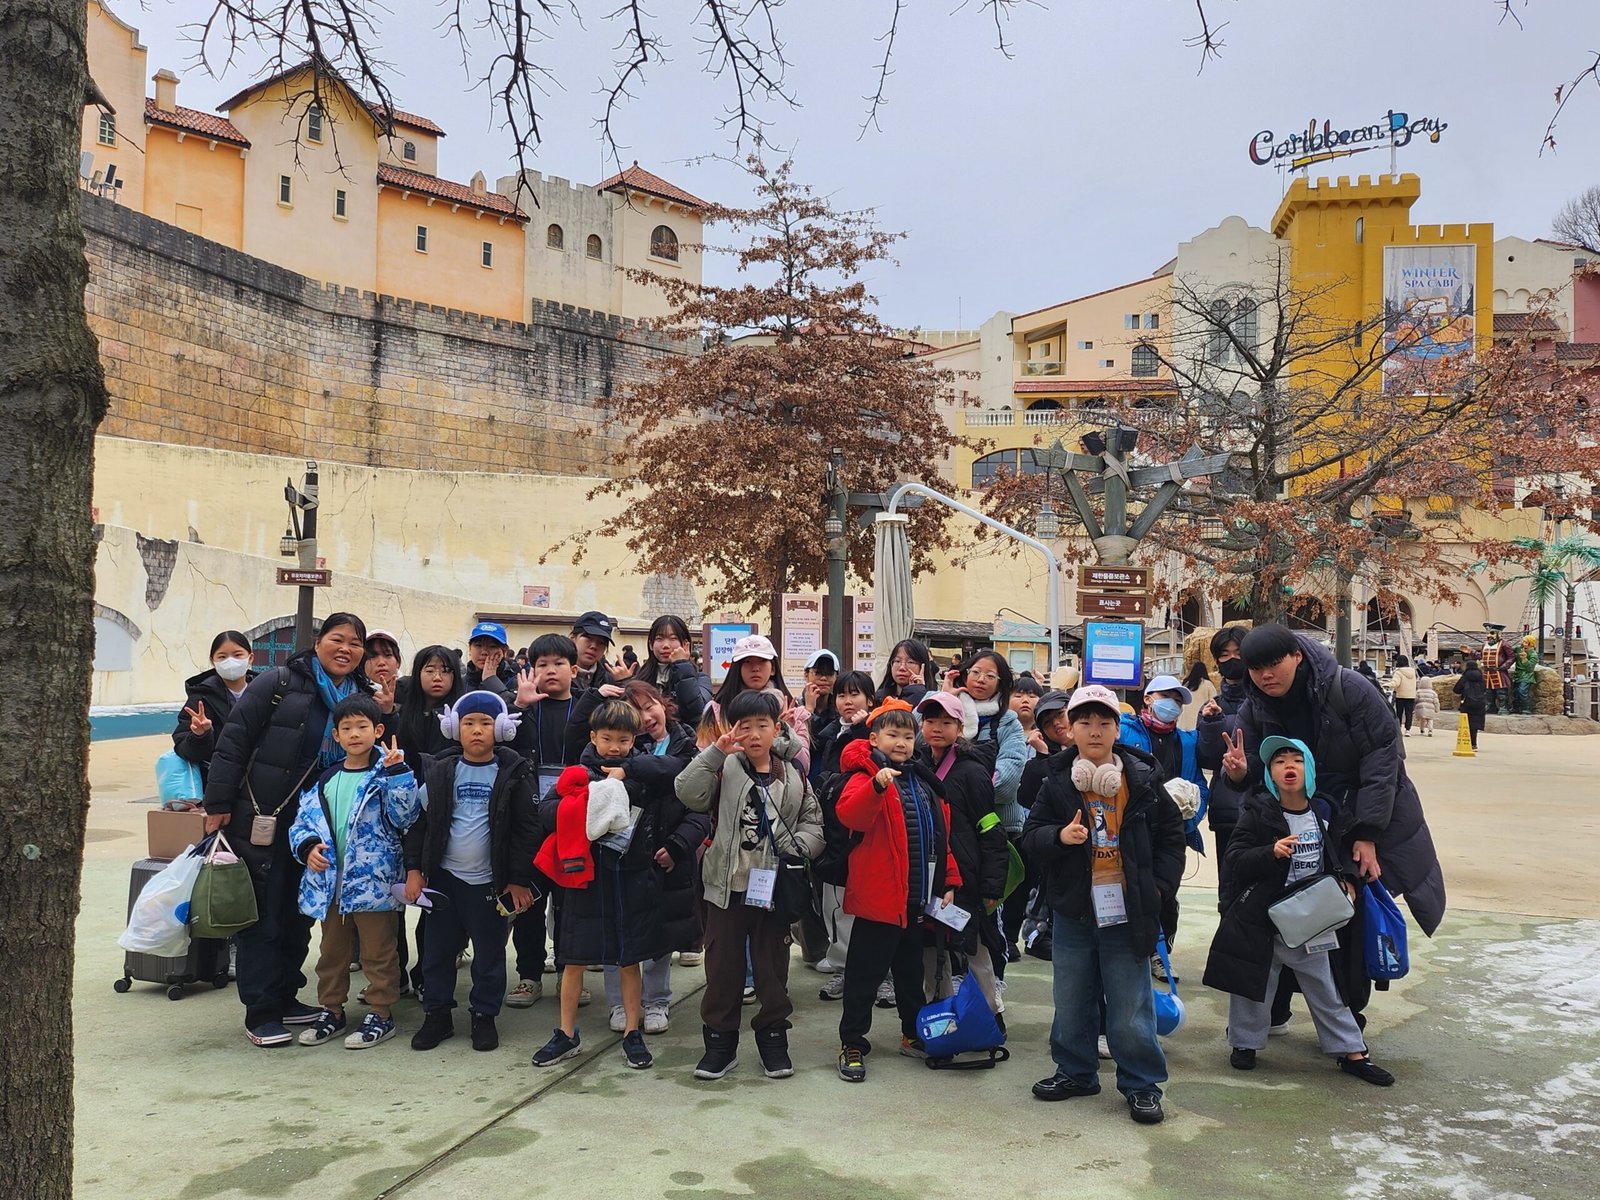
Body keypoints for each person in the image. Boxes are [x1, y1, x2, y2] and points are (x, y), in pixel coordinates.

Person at [1223, 624, 1447, 1021]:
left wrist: (1366, 833)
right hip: (1289, 821)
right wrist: (1240, 773)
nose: (1265, 675)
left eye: (1273, 664)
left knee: (1343, 914)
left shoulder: (1350, 689)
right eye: (1256, 668)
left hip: (1348, 816)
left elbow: (1383, 761)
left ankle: (1347, 1012)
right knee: (1273, 907)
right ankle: (1273, 1007)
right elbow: (1257, 767)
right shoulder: (1254, 704)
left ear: (1296, 655)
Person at [202, 612, 372, 1047]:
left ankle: (286, 997)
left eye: (355, 643)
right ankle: (261, 1010)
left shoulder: (359, 697)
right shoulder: (279, 682)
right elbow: (234, 740)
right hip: (267, 819)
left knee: (299, 916)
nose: (346, 649)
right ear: (318, 642)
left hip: (323, 829)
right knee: (265, 915)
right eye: (338, 639)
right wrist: (219, 803)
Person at [1022, 685, 1186, 1125]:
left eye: (1104, 722)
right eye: (1084, 722)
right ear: (1069, 729)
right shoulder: (1056, 779)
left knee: (1131, 1001)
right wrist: (1059, 837)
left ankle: (1142, 1084)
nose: (1094, 731)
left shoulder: (1143, 778)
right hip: (1074, 909)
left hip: (1129, 908)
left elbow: (1172, 838)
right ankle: (1075, 1072)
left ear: (1118, 728)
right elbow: (1031, 835)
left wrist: (1158, 889)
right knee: (1071, 997)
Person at [1204, 738, 1394, 1086]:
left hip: (1313, 920)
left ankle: (1352, 1051)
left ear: (1309, 768)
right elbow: (1235, 860)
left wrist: (1350, 882)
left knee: (1328, 989)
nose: (1289, 767)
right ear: (1270, 774)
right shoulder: (1258, 812)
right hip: (1265, 919)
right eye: (1279, 762)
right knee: (1253, 986)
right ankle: (1245, 1045)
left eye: (1297, 760)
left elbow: (1346, 852)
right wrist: (1270, 852)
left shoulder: (1325, 810)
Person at [675, 689, 824, 1081]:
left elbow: (813, 822)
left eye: (763, 725)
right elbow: (687, 792)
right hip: (726, 885)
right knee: (723, 967)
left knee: (772, 967)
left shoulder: (793, 774)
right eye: (746, 726)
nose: (755, 734)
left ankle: (773, 1038)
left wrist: (796, 848)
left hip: (773, 887)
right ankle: (720, 1045)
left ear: (778, 729)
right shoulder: (724, 766)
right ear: (733, 729)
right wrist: (714, 753)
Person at [531, 700, 666, 1071]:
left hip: (628, 876)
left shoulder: (642, 773)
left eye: (624, 740)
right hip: (582, 879)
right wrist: (584, 799)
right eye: (607, 738)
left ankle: (632, 1032)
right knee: (573, 959)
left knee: (628, 959)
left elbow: (659, 791)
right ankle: (566, 1032)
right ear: (592, 737)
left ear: (634, 739)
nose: (615, 747)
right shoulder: (575, 773)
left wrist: (625, 781)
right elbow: (546, 812)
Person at [833, 698, 962, 1081]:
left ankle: (912, 1033)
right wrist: (875, 785)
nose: (901, 742)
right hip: (878, 902)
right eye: (892, 735)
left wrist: (950, 881)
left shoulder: (922, 781)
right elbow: (849, 815)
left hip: (916, 901)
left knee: (910, 976)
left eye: (908, 735)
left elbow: (941, 838)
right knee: (863, 978)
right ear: (874, 738)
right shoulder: (863, 776)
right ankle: (852, 1042)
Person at [406, 691, 538, 1052]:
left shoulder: (513, 773)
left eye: (485, 723)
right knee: (436, 953)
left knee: (490, 955)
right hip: (446, 881)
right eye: (468, 723)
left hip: (490, 885)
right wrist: (415, 870)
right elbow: (420, 825)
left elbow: (527, 831)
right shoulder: (440, 771)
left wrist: (518, 879)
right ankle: (437, 1016)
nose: (476, 730)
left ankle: (484, 1015)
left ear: (501, 729)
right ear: (454, 728)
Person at [288, 695, 420, 1049]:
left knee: (379, 952)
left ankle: (381, 1012)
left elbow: (406, 817)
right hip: (331, 884)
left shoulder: (387, 774)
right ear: (336, 735)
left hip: (373, 886)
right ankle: (331, 1010)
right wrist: (308, 848)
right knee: (332, 953)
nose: (354, 734)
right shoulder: (326, 779)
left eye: (362, 726)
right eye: (346, 728)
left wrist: (399, 774)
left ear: (377, 730)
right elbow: (303, 822)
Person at [598, 680, 705, 1034]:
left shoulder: (687, 746)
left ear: (663, 703)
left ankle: (657, 1001)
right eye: (636, 712)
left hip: (667, 856)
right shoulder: (619, 748)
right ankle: (618, 1002)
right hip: (622, 856)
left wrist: (678, 845)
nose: (645, 718)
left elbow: (698, 808)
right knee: (618, 932)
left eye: (649, 707)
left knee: (660, 935)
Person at [916, 692, 1009, 1020]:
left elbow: (991, 830)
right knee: (929, 947)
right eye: (930, 721)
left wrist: (991, 887)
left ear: (961, 727)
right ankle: (940, 1014)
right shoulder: (918, 764)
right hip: (929, 877)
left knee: (975, 947)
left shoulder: (972, 772)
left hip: (968, 878)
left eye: (946, 722)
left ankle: (988, 1014)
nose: (936, 728)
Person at [507, 633, 584, 1011]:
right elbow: (501, 745)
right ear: (530, 670)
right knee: (529, 905)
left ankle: (570, 976)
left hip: (572, 824)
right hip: (529, 824)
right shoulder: (523, 710)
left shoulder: (585, 709)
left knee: (571, 906)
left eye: (557, 664)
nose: (549, 671)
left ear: (574, 669)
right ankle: (529, 976)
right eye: (541, 665)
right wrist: (518, 706)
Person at [809, 670, 877, 999]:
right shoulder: (830, 732)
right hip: (832, 831)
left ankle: (881, 975)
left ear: (870, 699)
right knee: (835, 905)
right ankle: (844, 969)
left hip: (861, 834)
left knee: (867, 907)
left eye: (855, 694)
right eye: (841, 695)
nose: (848, 701)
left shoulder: (875, 733)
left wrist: (865, 729)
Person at [173, 631, 259, 789]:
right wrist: (200, 735)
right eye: (222, 657)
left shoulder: (267, 694)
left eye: (238, 655)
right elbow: (185, 751)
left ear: (250, 658)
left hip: (259, 787)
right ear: (213, 661)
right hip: (216, 788)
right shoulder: (200, 699)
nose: (230, 662)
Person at [630, 615, 712, 727]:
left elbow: (695, 712)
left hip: (686, 741)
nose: (666, 645)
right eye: (659, 639)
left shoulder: (701, 679)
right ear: (650, 644)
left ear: (685, 645)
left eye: (673, 638)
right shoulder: (640, 678)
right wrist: (624, 681)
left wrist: (682, 664)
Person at [463, 621, 517, 700]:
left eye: (492, 646)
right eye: (478, 645)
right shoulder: (458, 683)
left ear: (504, 651)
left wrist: (491, 681)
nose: (484, 652)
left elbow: (514, 708)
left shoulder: (515, 683)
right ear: (470, 649)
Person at [876, 638, 937, 707]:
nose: (902, 667)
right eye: (897, 661)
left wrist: (918, 692)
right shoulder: (879, 699)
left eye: (910, 662)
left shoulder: (932, 702)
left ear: (923, 666)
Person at [570, 610, 618, 693]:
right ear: (572, 638)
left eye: (601, 642)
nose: (594, 646)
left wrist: (625, 682)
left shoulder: (610, 681)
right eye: (588, 638)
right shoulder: (556, 675)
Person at [364, 629, 403, 718]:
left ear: (398, 661)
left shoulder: (411, 693)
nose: (381, 662)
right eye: (372, 656)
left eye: (388, 655)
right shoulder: (354, 693)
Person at [1454, 657, 1488, 750]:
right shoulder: (1480, 677)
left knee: (1466, 722)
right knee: (1475, 723)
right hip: (1479, 703)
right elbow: (1484, 689)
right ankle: (1474, 743)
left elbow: (1456, 690)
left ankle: (1466, 741)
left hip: (1467, 702)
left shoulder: (1465, 677)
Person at [1480, 626, 1511, 715]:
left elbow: (1511, 657)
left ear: (1498, 634)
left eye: (1492, 633)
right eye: (1488, 633)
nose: (1489, 636)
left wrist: (1504, 666)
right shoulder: (1484, 645)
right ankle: (1490, 706)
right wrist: (1471, 651)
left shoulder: (1504, 644)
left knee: (1501, 691)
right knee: (1488, 691)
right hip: (1487, 672)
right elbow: (1481, 656)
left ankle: (1503, 706)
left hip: (1499, 672)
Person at [1178, 661, 1216, 731]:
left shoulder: (1186, 685)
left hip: (1183, 723)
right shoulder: (1208, 684)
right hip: (1199, 722)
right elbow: (1215, 702)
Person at [1512, 634, 1539, 715]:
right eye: (1523, 641)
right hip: (1518, 674)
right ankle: (1516, 707)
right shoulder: (1518, 649)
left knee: (1522, 691)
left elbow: (1530, 668)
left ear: (1530, 644)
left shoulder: (1533, 654)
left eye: (1526, 642)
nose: (1523, 643)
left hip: (1526, 675)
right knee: (1516, 692)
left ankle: (1525, 708)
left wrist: (1525, 659)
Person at [1414, 672, 1439, 737]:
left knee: (1422, 719)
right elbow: (1436, 701)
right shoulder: (1433, 693)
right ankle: (1430, 730)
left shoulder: (1418, 691)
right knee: (1430, 719)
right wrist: (1437, 709)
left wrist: (1413, 707)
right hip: (1430, 708)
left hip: (1420, 707)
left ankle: (1422, 730)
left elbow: (1415, 700)